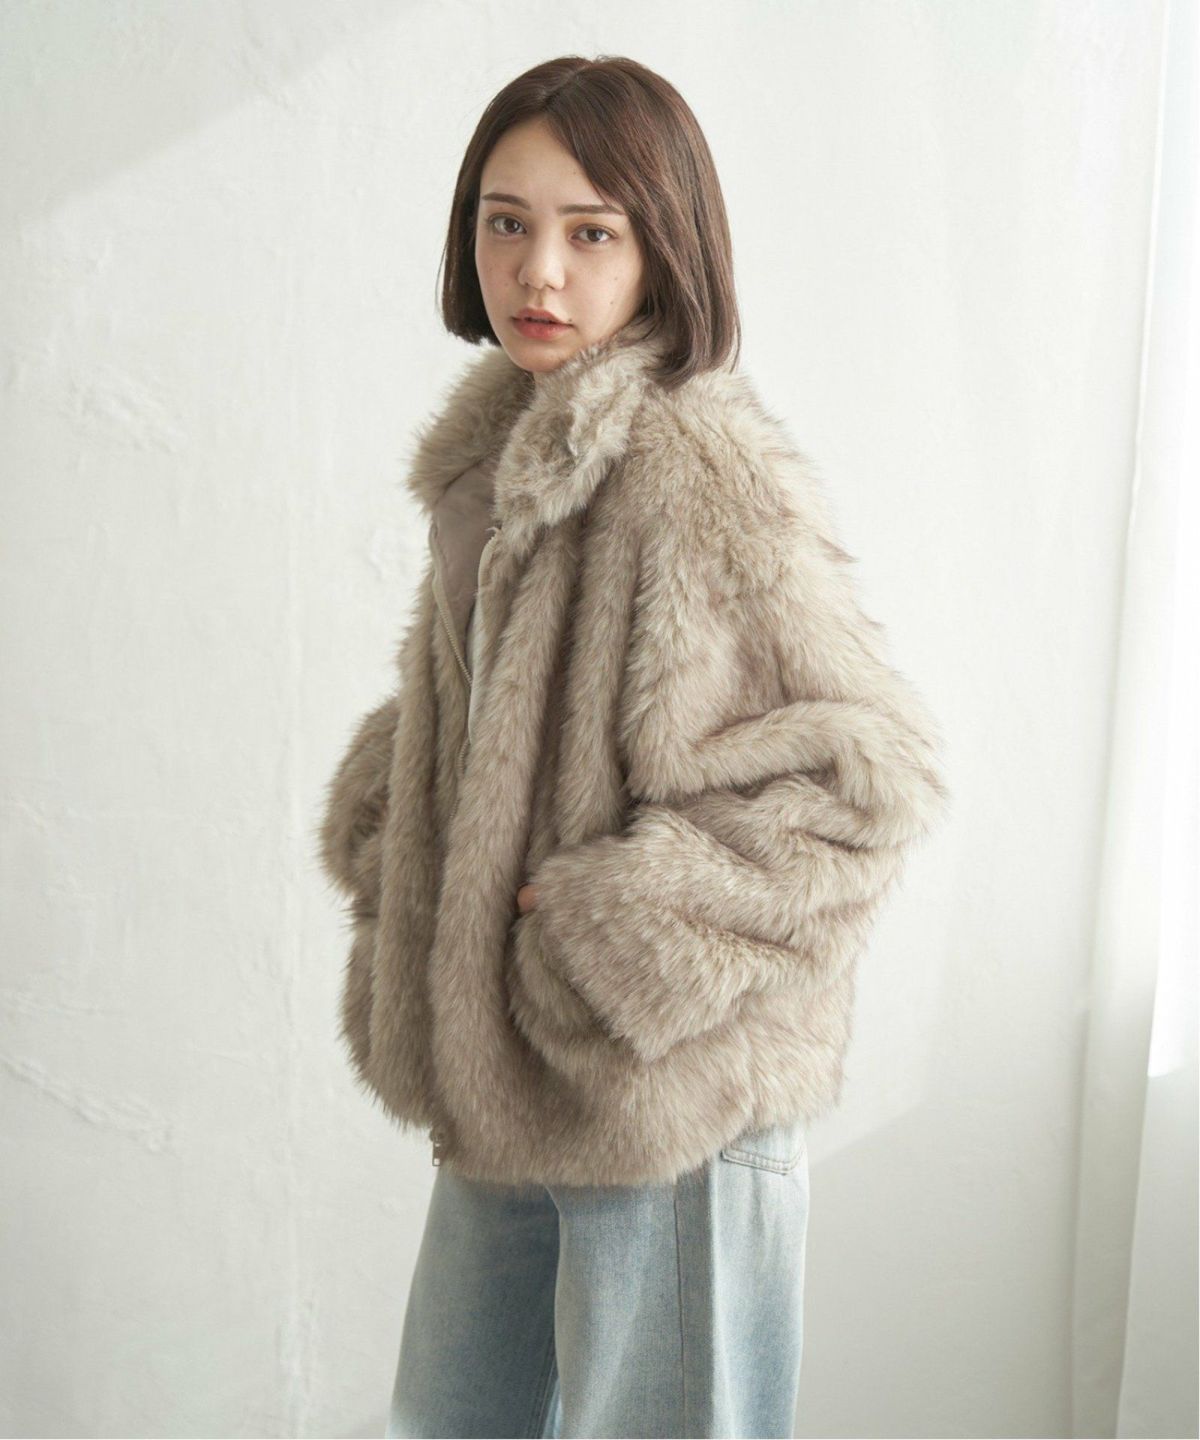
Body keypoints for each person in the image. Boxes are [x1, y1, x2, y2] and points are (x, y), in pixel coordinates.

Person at [316, 55, 950, 1440]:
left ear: (664, 248)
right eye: (505, 222)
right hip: (515, 1078)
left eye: (590, 231)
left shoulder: (692, 467)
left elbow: (865, 780)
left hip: (672, 1100)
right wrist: (399, 822)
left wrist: (621, 933)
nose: (536, 269)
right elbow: (486, 712)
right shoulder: (506, 463)